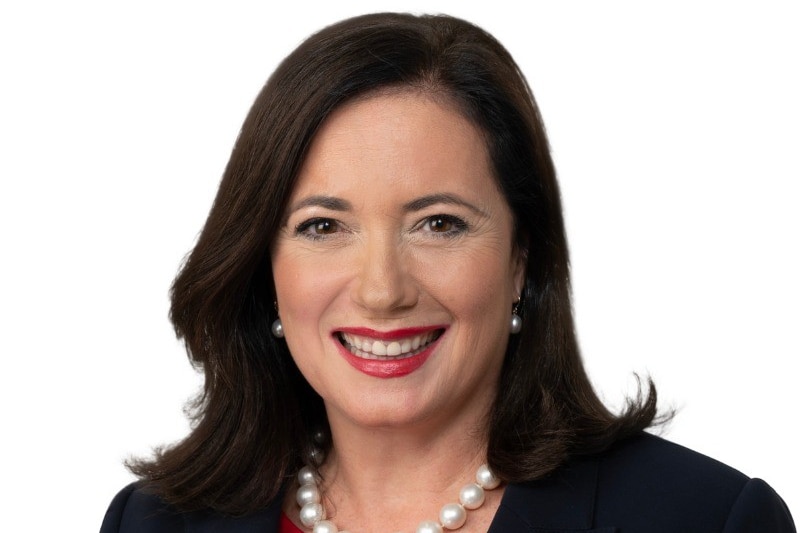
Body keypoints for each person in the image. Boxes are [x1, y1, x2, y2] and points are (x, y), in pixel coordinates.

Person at [100, 12, 794, 533]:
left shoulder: (707, 518)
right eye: (323, 227)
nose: (382, 289)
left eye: (439, 224)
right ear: (263, 266)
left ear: (522, 259)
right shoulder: (152, 522)